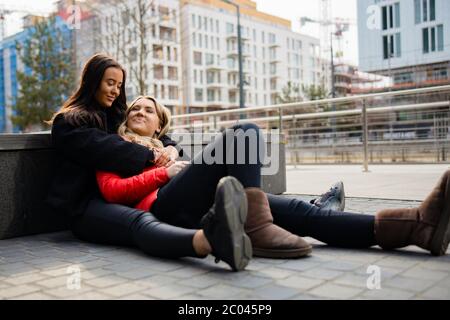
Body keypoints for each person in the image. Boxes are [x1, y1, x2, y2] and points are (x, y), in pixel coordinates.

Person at [98, 94, 450, 258]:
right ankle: (255, 225)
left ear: (161, 123)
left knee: (304, 214)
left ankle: (416, 227)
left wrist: (177, 159)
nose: (139, 112)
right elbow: (113, 191)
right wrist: (163, 175)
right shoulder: (114, 145)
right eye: (134, 109)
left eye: (148, 109)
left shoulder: (173, 147)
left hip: (204, 200)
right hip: (164, 207)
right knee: (244, 132)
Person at [46, 53, 252, 272]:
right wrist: (153, 156)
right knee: (140, 221)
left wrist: (171, 146)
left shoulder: (114, 117)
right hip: (85, 204)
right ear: (93, 81)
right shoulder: (69, 121)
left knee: (146, 216)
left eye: (119, 85)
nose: (115, 90)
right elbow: (106, 147)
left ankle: (251, 225)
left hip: (117, 197)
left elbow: (148, 133)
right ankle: (209, 242)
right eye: (110, 83)